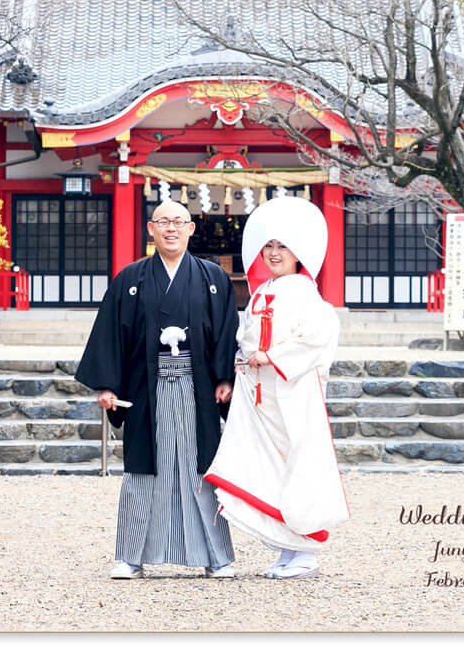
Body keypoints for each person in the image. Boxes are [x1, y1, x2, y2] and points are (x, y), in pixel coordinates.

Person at [75, 199, 238, 579]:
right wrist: (107, 385)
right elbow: (111, 336)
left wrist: (225, 378)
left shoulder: (213, 279)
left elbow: (227, 332)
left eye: (179, 222)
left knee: (202, 468)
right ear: (150, 228)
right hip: (145, 388)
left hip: (198, 388)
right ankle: (131, 555)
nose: (171, 229)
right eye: (163, 221)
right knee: (143, 469)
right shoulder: (130, 280)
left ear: (191, 229)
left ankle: (217, 556)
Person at [204, 196, 350, 579]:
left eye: (282, 246)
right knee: (265, 465)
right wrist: (244, 362)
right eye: (268, 245)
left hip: (291, 393)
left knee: (293, 463)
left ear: (297, 251)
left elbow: (319, 336)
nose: (273, 252)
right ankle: (287, 549)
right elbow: (248, 337)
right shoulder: (262, 291)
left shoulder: (305, 293)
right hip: (260, 395)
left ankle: (305, 550)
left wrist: (273, 357)